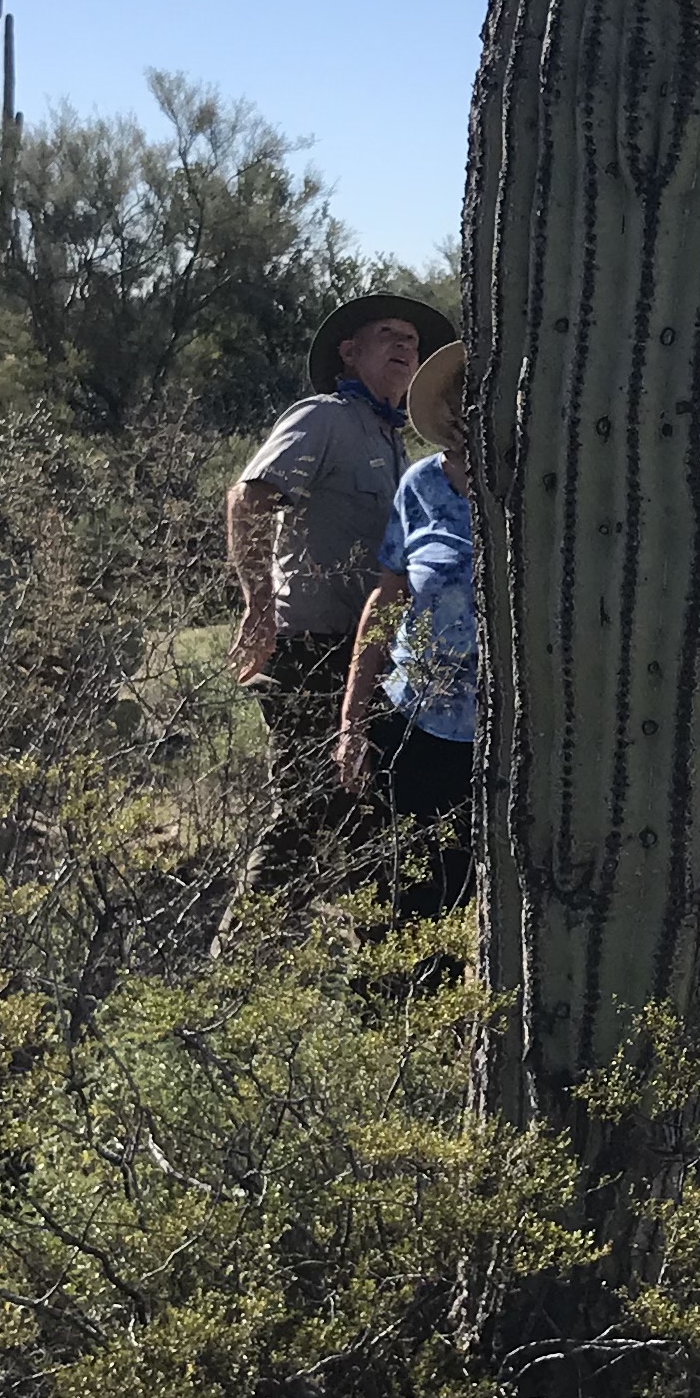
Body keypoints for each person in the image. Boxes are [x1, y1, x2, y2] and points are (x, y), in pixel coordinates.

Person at [221, 287, 449, 925]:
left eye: (412, 340)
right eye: (388, 336)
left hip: (364, 659)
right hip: (310, 652)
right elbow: (249, 498)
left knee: (363, 811)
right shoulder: (322, 417)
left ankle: (357, 970)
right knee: (307, 812)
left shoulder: (391, 438)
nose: (406, 347)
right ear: (349, 353)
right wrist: (258, 604)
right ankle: (238, 963)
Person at [337, 341, 477, 926]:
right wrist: (353, 720)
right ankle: (391, 1016)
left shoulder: (553, 492)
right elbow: (388, 596)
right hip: (418, 726)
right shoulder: (421, 486)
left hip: (518, 740)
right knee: (406, 902)